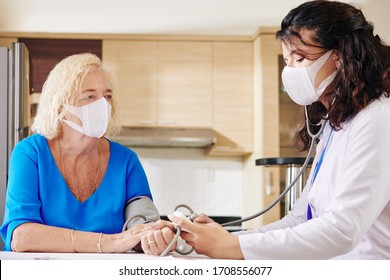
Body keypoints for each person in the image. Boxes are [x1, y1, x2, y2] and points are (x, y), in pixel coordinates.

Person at [167, 0, 390, 259]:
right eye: (287, 60)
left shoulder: (378, 119)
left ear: (339, 57)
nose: (290, 71)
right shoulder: (334, 125)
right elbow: (298, 220)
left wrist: (233, 248)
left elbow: (341, 231)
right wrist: (217, 241)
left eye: (301, 58)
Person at [0, 53, 174, 254]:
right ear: (60, 106)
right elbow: (21, 237)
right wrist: (109, 242)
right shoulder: (30, 154)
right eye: (90, 96)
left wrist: (152, 236)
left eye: (107, 96)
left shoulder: (126, 161)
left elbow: (140, 224)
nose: (103, 105)